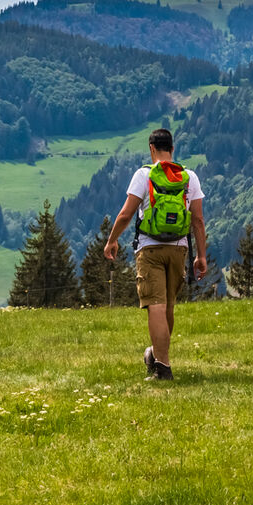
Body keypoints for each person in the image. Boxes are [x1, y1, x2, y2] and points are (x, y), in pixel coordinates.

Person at [105, 128, 208, 380]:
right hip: (179, 248)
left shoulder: (144, 175)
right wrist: (201, 256)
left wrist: (112, 240)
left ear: (152, 148)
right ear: (172, 148)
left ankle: (163, 367)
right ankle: (156, 355)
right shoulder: (189, 177)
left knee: (156, 307)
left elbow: (126, 214)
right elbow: (198, 220)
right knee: (168, 307)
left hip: (149, 248)